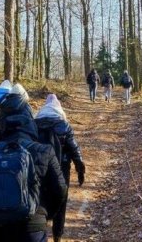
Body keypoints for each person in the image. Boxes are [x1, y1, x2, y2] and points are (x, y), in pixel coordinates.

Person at [0, 94, 67, 242]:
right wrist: (45, 213)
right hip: (32, 227)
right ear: (30, 122)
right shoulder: (45, 151)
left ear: (1, 124)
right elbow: (60, 188)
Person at [35, 94, 86, 242]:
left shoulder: (35, 124)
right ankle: (58, 235)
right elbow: (74, 149)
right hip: (61, 170)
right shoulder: (64, 125)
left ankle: (40, 233)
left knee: (39, 201)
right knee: (61, 202)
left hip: (40, 169)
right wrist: (80, 170)